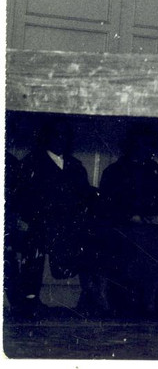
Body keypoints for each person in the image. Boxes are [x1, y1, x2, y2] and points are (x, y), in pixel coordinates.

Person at [9, 117, 98, 317]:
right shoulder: (31, 163)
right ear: (46, 137)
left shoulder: (75, 166)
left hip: (71, 224)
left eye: (65, 135)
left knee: (94, 237)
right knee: (35, 242)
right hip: (42, 224)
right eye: (56, 134)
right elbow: (22, 200)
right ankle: (31, 299)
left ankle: (89, 296)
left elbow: (84, 196)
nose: (61, 139)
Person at [96, 120, 158, 316]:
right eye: (139, 145)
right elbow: (106, 207)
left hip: (154, 227)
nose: (144, 150)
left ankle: (150, 299)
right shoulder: (114, 171)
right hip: (123, 226)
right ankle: (105, 297)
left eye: (148, 145)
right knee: (116, 242)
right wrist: (132, 217)